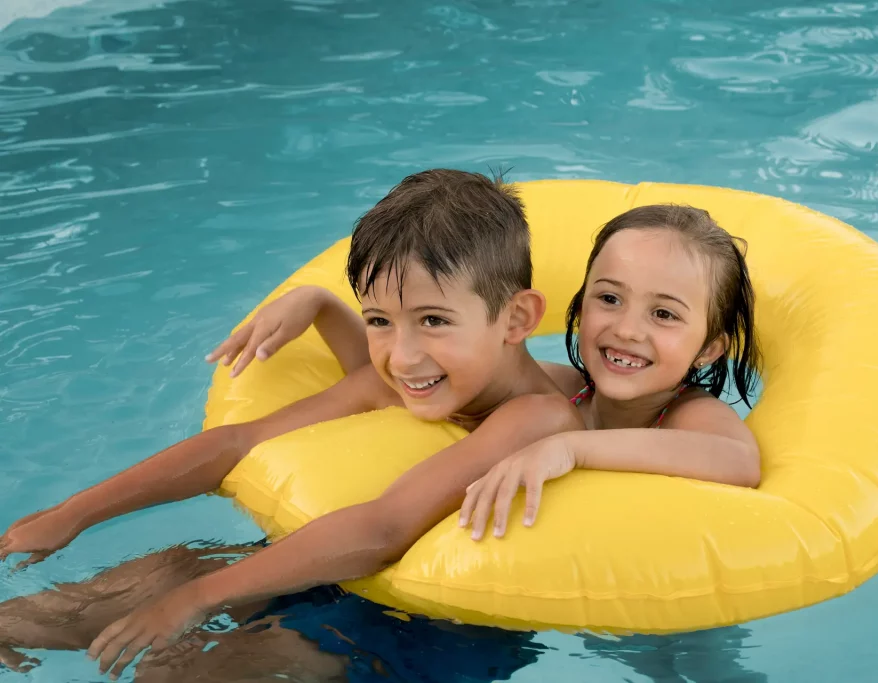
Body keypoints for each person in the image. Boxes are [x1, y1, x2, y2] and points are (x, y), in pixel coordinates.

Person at [0, 169, 581, 679]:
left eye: (433, 319)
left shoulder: (541, 414)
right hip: (331, 570)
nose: (401, 356)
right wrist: (73, 513)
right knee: (163, 573)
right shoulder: (405, 379)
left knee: (187, 666)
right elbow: (238, 442)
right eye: (379, 319)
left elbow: (382, 530)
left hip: (434, 625)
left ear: (517, 319)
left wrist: (199, 601)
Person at [209, 202, 762, 540]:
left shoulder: (692, 415)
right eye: (609, 299)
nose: (627, 330)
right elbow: (414, 379)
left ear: (711, 348)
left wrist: (571, 451)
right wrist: (324, 308)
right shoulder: (562, 390)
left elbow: (736, 461)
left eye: (663, 314)